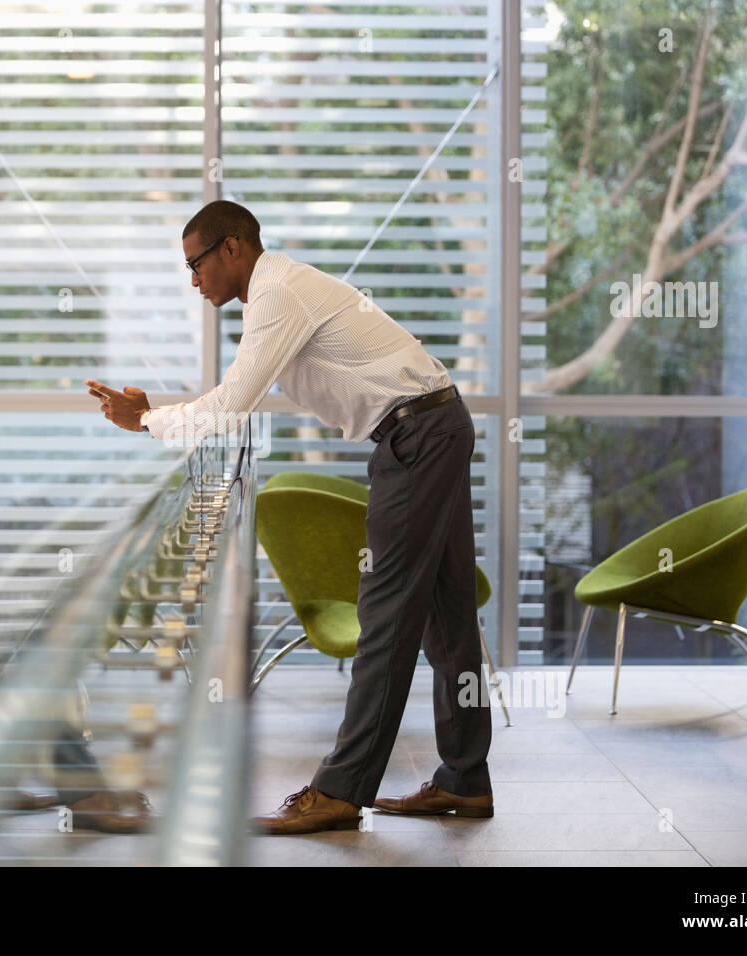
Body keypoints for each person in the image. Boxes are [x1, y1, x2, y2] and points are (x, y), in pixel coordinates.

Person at [87, 200, 492, 835]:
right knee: (447, 610)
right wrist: (160, 414)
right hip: (431, 426)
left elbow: (228, 408)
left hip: (418, 437)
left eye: (195, 264)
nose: (193, 280)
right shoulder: (274, 295)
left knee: (386, 613)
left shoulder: (276, 292)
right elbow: (237, 398)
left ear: (231, 249)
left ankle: (341, 788)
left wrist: (145, 419)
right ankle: (465, 780)